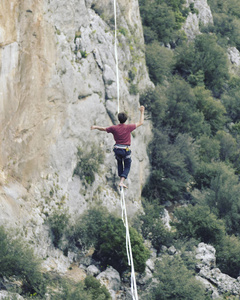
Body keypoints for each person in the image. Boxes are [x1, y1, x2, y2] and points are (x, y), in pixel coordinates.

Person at [91, 106, 145, 188]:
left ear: (118, 119)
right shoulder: (128, 127)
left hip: (117, 149)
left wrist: (95, 127)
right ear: (126, 120)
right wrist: (142, 112)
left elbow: (103, 128)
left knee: (120, 163)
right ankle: (122, 181)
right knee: (127, 165)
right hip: (125, 150)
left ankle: (121, 181)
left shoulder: (114, 128)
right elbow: (141, 122)